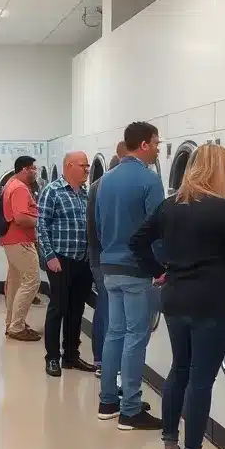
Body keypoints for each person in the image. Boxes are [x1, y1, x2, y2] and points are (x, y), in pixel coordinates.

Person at [131, 143, 225, 449]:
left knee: (179, 371)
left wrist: (158, 270)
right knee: (200, 379)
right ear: (216, 170)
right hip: (212, 302)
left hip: (176, 299)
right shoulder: (223, 208)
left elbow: (137, 241)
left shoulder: (170, 205)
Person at [96, 122, 165, 430]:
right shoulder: (150, 180)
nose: (159, 149)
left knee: (115, 334)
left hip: (109, 266)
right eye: (156, 143)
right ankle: (131, 410)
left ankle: (108, 402)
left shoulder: (104, 180)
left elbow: (99, 226)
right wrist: (161, 267)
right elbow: (158, 230)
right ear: (143, 145)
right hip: (137, 269)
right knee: (136, 338)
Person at [37, 151, 93, 377]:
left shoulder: (85, 194)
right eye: (84, 166)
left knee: (76, 309)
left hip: (83, 259)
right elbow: (41, 225)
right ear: (69, 166)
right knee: (58, 307)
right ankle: (52, 358)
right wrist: (49, 256)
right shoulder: (52, 191)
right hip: (60, 259)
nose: (88, 170)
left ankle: (71, 355)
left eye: (89, 166)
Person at [88, 142, 127, 378]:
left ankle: (101, 360)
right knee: (108, 309)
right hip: (110, 258)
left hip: (99, 256)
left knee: (105, 307)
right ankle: (105, 361)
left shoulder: (95, 186)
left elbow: (93, 226)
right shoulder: (108, 186)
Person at [0, 155, 41, 341]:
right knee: (32, 281)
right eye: (33, 168)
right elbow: (20, 217)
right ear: (24, 169)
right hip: (21, 241)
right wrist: (41, 222)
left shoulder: (10, 184)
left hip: (11, 240)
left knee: (15, 283)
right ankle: (17, 326)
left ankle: (12, 323)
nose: (35, 171)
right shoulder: (20, 188)